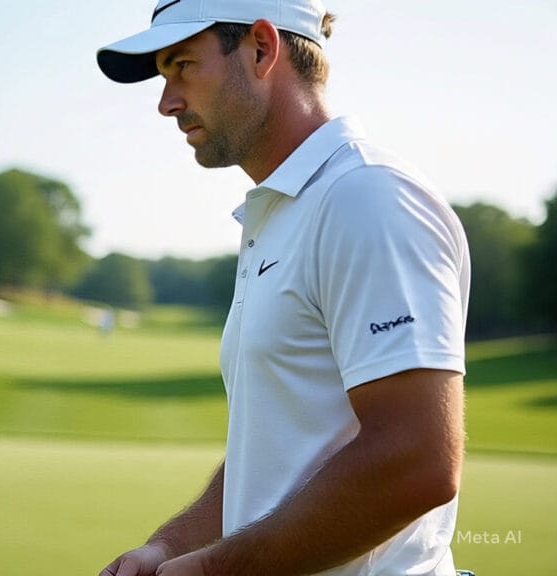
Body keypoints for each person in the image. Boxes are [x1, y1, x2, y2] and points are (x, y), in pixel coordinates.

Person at [96, 1, 470, 575]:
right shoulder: (284, 213)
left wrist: (211, 570)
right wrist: (169, 547)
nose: (166, 102)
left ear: (263, 49)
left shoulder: (365, 198)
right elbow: (278, 456)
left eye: (182, 66)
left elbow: (417, 460)